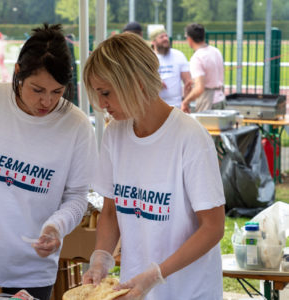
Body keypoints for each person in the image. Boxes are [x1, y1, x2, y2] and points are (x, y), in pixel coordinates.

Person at [0, 23, 97, 300]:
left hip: (31, 269)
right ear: (18, 73)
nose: (47, 101)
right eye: (37, 89)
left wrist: (57, 226)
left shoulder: (77, 126)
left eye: (57, 91)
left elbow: (76, 197)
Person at [82, 32, 225, 299]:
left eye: (106, 93)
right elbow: (110, 212)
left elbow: (213, 227)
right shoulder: (115, 135)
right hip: (133, 290)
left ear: (135, 83)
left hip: (187, 292)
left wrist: (157, 274)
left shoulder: (190, 137)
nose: (102, 104)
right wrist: (101, 256)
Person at [182, 23, 226, 113]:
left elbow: (199, 88)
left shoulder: (197, 57)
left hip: (208, 101)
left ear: (190, 39)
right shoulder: (216, 51)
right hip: (221, 98)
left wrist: (185, 102)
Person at [149, 28, 192, 109]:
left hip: (176, 106)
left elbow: (187, 81)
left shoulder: (178, 55)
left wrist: (186, 102)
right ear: (153, 42)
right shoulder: (149, 58)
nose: (165, 39)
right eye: (161, 37)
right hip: (155, 106)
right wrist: (155, 81)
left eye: (166, 36)